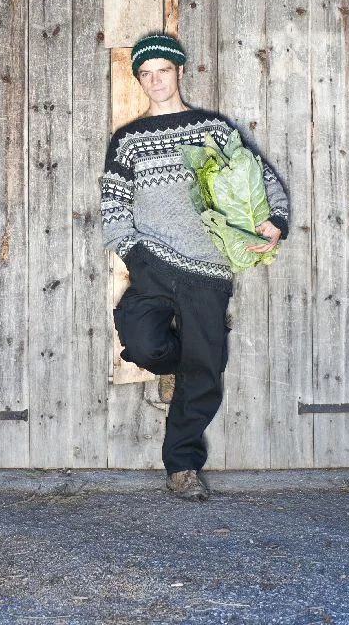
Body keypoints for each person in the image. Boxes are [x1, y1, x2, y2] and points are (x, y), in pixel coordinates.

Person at [100, 32, 289, 501]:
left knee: (204, 374)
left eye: (163, 70)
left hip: (208, 266)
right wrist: (135, 255)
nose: (155, 80)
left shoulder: (213, 129)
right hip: (154, 265)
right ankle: (191, 353)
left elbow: (261, 175)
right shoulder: (127, 141)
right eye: (146, 74)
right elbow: (113, 207)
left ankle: (182, 468)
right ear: (140, 80)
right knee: (143, 344)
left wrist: (274, 221)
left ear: (180, 71)